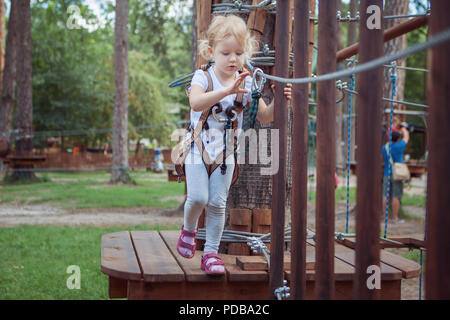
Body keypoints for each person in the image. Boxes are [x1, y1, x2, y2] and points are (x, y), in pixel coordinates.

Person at [177, 15, 292, 275]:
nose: (233, 59)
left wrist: (281, 102)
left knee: (218, 203)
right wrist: (227, 92)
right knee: (197, 197)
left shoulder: (247, 81)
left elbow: (263, 116)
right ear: (211, 52)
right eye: (226, 52)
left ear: (246, 53)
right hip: (199, 147)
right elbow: (195, 103)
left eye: (239, 53)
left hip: (227, 152)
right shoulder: (203, 77)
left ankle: (211, 255)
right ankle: (188, 228)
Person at [382, 125, 409, 224]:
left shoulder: (384, 147)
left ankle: (385, 217)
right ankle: (395, 217)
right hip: (397, 174)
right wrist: (404, 128)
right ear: (398, 139)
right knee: (395, 196)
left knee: (385, 195)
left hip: (386, 173)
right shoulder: (399, 146)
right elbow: (406, 137)